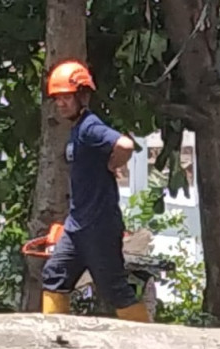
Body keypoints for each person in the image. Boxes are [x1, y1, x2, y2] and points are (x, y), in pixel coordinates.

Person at [40, 60, 150, 323]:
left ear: (83, 96)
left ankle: (150, 344)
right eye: (58, 99)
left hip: (99, 226)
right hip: (77, 225)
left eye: (67, 97)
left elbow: (125, 144)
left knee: (114, 289)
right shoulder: (77, 130)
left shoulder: (89, 126)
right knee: (55, 275)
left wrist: (113, 163)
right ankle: (56, 340)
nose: (61, 103)